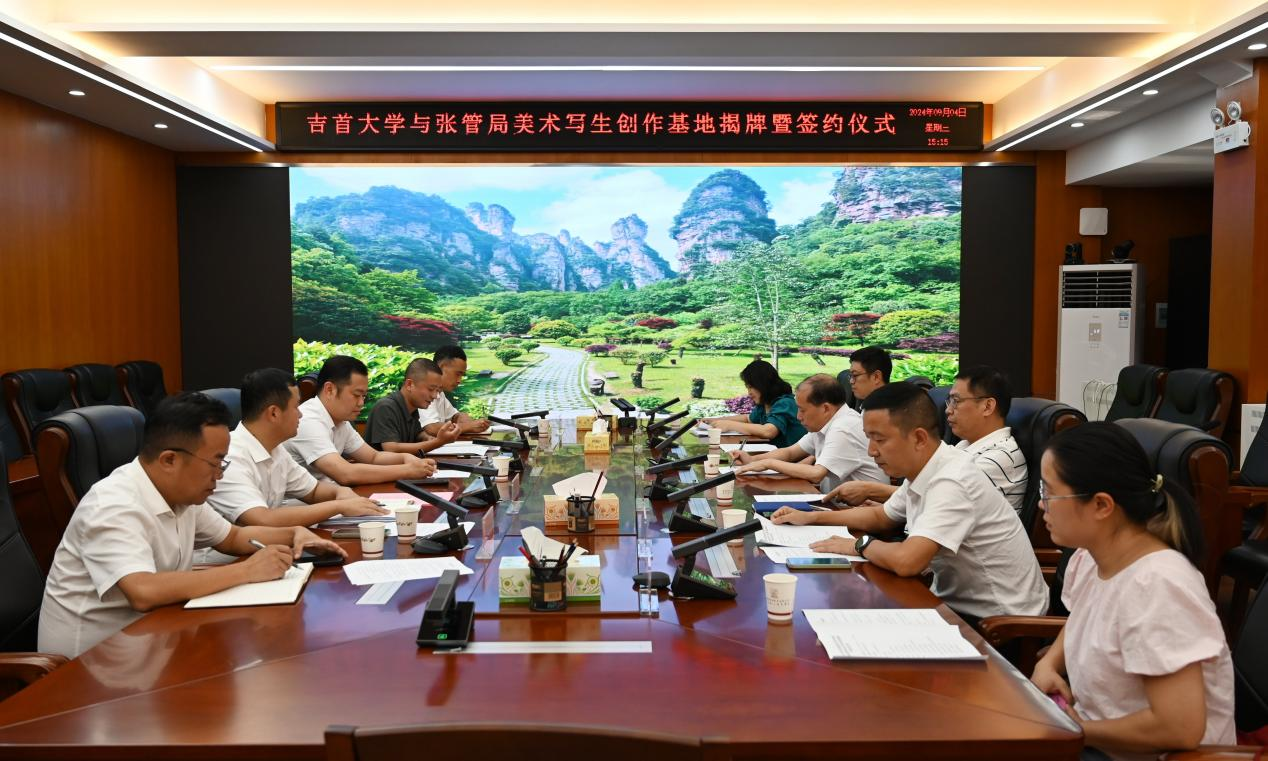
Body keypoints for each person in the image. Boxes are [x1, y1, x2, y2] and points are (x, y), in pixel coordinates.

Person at [38, 393, 346, 658]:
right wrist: (247, 570)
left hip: (155, 640)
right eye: (215, 463)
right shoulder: (113, 504)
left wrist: (293, 534)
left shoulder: (181, 494)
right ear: (169, 460)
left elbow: (233, 537)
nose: (220, 475)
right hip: (94, 666)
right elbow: (143, 590)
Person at [1029, 423, 1233, 760]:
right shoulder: (1095, 555)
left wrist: (1077, 729)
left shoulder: (1158, 586)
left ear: (1101, 505)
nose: (1041, 504)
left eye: (1049, 493)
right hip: (1100, 742)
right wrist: (1049, 663)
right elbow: (1086, 614)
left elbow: (1179, 728)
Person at [771, 381, 1047, 621]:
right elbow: (881, 517)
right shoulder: (928, 466)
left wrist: (859, 544)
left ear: (918, 438)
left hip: (996, 621)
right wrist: (812, 516)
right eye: (869, 439)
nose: (872, 451)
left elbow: (907, 561)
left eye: (879, 439)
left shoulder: (952, 479)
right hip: (951, 602)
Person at [208, 368, 390, 527]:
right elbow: (262, 519)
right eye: (296, 407)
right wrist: (339, 505)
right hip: (228, 555)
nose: (301, 414)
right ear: (274, 413)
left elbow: (314, 491)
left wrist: (341, 492)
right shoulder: (230, 456)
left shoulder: (276, 450)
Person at [285, 355, 437, 485]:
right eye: (356, 395)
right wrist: (407, 470)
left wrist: (406, 458)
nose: (361, 403)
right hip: (296, 506)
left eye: (364, 396)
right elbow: (345, 474)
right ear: (329, 390)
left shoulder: (340, 421)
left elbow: (373, 457)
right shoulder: (308, 420)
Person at [732, 373, 886, 491]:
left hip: (862, 512)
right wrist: (752, 460)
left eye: (802, 410)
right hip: (838, 504)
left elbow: (816, 474)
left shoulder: (843, 427)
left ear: (825, 408)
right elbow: (790, 453)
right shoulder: (828, 422)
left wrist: (768, 463)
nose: (798, 416)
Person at [944, 365, 1027, 514]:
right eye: (949, 401)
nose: (948, 410)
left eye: (956, 401)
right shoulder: (965, 444)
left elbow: (940, 506)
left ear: (987, 406)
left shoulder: (999, 458)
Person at [364, 357, 461, 455]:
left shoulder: (413, 407)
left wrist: (427, 438)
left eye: (437, 390)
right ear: (409, 384)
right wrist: (438, 442)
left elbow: (417, 434)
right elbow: (392, 449)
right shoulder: (386, 407)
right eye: (431, 389)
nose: (435, 396)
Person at [703, 359, 807, 448]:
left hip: (796, 461)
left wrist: (730, 425)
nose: (749, 393)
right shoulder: (765, 403)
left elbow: (768, 431)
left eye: (750, 387)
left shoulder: (785, 403)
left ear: (762, 384)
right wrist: (715, 420)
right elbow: (748, 419)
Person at [419, 345, 490, 437]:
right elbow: (432, 428)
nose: (459, 380)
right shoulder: (423, 391)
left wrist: (460, 416)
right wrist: (468, 426)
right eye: (457, 374)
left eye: (462, 375)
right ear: (440, 368)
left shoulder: (440, 393)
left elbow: (454, 416)